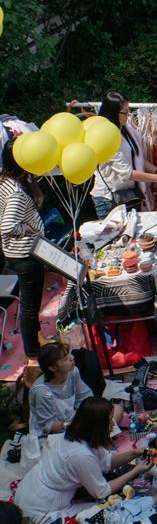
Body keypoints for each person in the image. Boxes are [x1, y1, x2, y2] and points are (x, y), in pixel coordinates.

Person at [16, 398, 151, 524]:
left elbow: (106, 463)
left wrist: (133, 454)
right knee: (108, 511)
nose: (113, 425)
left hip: (35, 487)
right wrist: (136, 470)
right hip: (41, 504)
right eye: (109, 421)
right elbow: (101, 492)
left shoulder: (80, 434)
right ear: (98, 426)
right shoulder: (80, 455)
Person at [0, 140, 45, 362]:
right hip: (25, 254)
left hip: (14, 254)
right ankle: (34, 352)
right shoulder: (17, 191)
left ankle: (36, 340)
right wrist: (24, 228)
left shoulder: (4, 180)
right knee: (29, 306)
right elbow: (7, 226)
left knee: (27, 303)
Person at [90, 92, 157, 219]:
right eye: (125, 112)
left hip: (128, 194)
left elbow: (138, 159)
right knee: (113, 238)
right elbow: (127, 173)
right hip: (109, 199)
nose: (128, 115)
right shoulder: (105, 138)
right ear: (113, 113)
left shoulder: (126, 130)